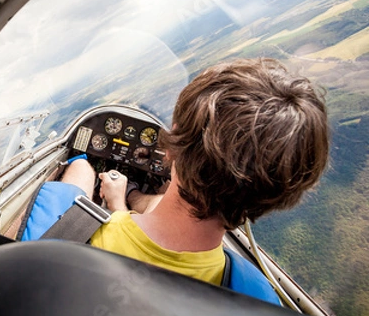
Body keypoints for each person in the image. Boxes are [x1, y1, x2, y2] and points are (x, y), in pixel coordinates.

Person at [22, 58, 329, 287]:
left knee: (82, 169)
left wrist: (104, 191)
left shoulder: (56, 226)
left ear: (171, 147)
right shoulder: (258, 296)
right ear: (278, 196)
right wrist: (122, 204)